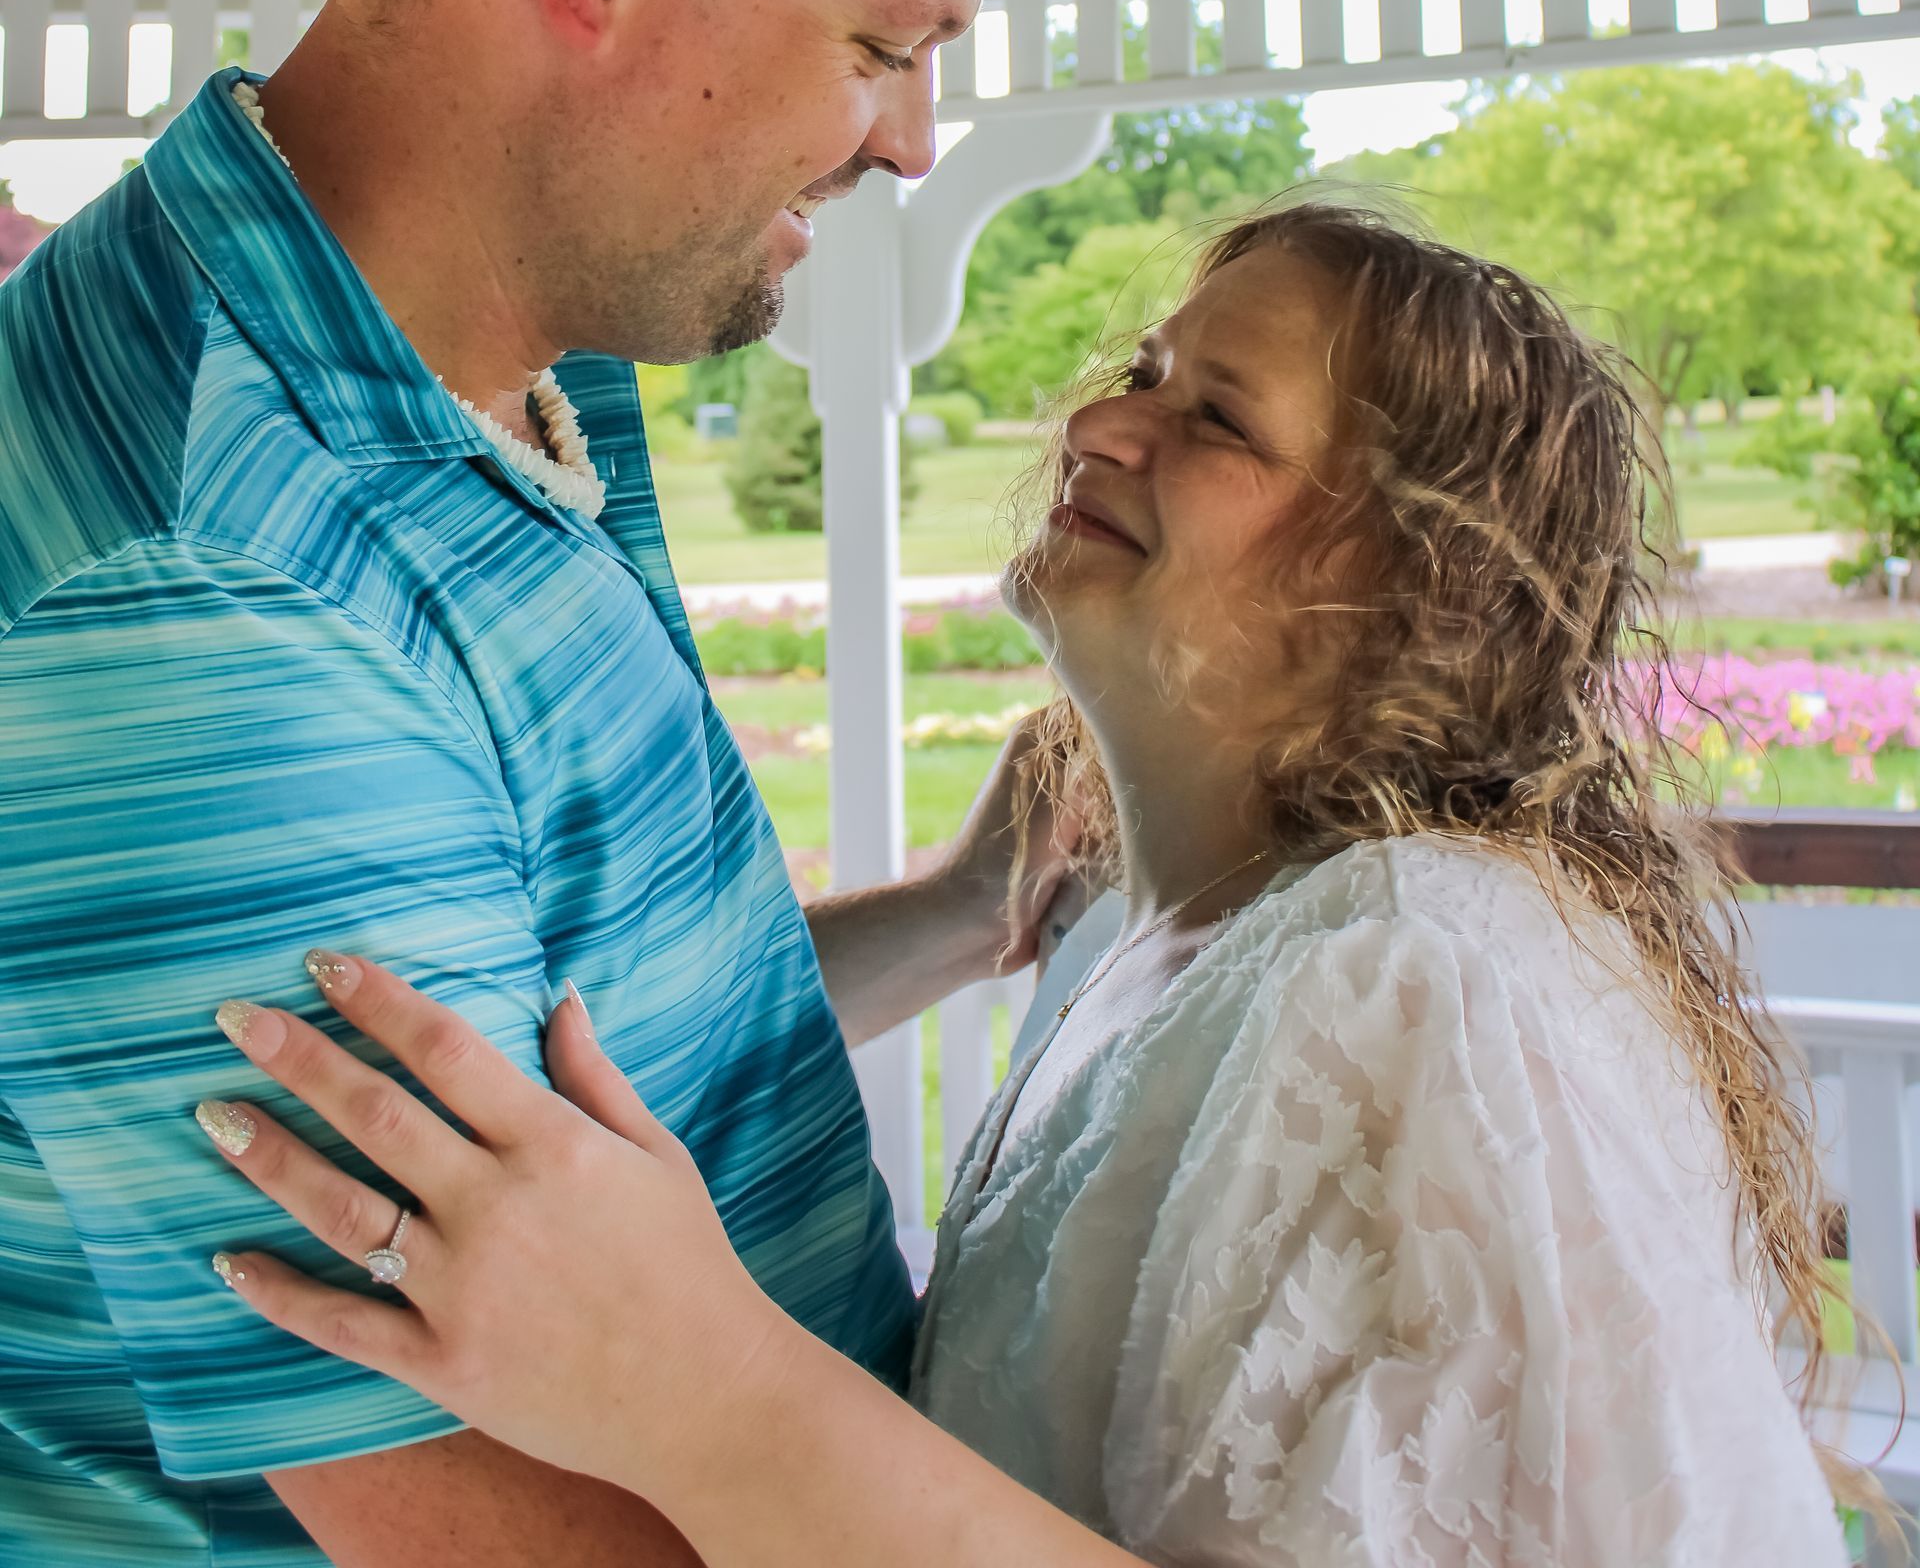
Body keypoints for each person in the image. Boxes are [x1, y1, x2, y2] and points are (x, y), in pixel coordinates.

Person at [194, 201, 1859, 1566]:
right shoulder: (1165, 945)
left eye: (1216, 416)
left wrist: (700, 1392)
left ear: (1402, 581)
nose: (1097, 419)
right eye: (1147, 367)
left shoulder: (1432, 972)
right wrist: (961, 907)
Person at [0, 0, 1068, 1568]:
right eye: (880, 44)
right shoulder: (215, 593)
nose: (917, 143)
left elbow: (569, 1083)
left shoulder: (516, 347)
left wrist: (957, 910)